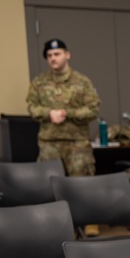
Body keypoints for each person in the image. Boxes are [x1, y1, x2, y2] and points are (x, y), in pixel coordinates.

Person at [26, 38, 101, 235]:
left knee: (83, 183)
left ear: (67, 55)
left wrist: (68, 113)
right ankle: (52, 225)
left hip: (77, 143)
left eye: (57, 54)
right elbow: (32, 108)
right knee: (49, 186)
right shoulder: (39, 83)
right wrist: (49, 113)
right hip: (49, 143)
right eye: (49, 56)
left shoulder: (82, 81)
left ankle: (90, 222)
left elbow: (93, 109)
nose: (53, 58)